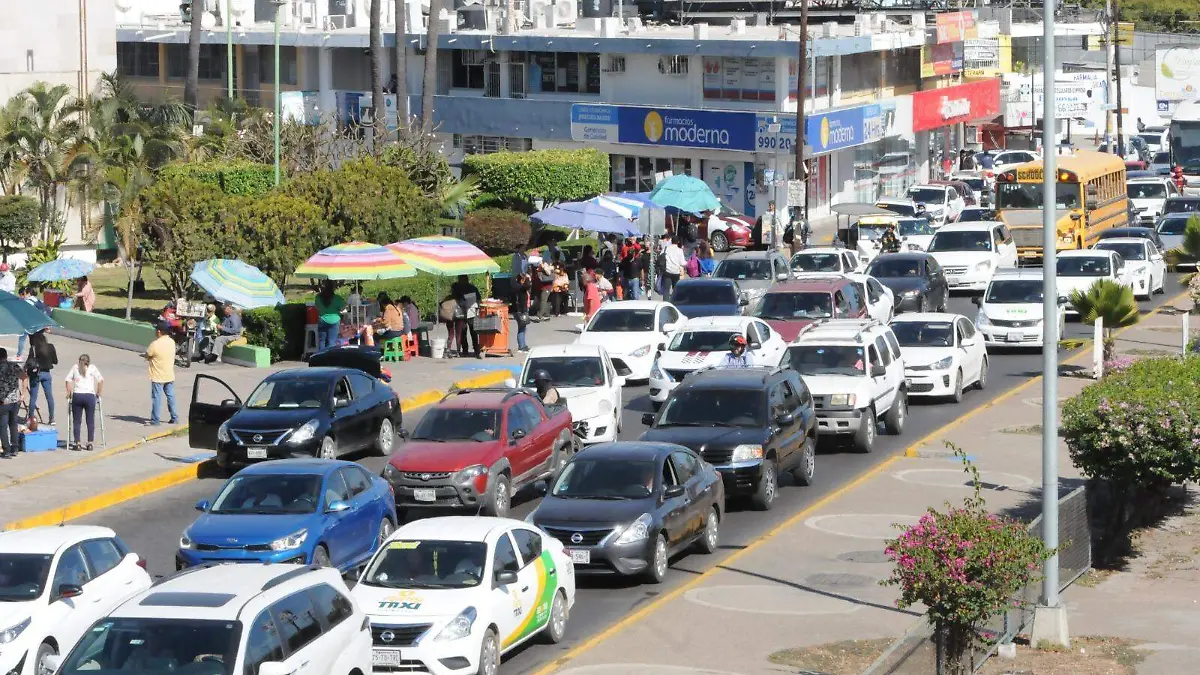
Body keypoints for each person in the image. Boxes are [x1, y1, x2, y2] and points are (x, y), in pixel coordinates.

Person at [64, 354, 103, 452]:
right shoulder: (92, 368)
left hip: (78, 395)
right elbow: (101, 380)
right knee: (90, 420)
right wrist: (98, 392)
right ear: (88, 362)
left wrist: (69, 393)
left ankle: (77, 443)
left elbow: (68, 380)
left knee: (77, 421)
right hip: (89, 396)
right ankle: (90, 443)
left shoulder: (75, 368)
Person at [142, 323, 178, 426]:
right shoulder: (172, 342)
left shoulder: (155, 344)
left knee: (157, 398)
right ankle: (174, 417)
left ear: (159, 332)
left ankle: (155, 420)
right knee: (170, 396)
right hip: (169, 374)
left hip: (158, 376)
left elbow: (148, 354)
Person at [25, 328, 57, 425]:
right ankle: (52, 419)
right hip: (47, 374)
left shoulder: (34, 349)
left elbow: (29, 362)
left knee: (33, 397)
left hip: (36, 374)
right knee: (49, 397)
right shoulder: (50, 347)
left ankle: (31, 418)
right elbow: (55, 361)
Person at [0, 348, 27, 459]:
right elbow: (25, 377)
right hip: (15, 400)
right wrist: (23, 394)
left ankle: (6, 450)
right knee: (13, 423)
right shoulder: (13, 366)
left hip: (3, 402)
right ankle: (14, 448)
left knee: (2, 426)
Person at [450, 274, 482, 359]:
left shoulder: (456, 288)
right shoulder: (472, 287)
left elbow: (454, 297)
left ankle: (465, 350)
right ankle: (476, 350)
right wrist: (476, 306)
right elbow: (479, 299)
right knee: (473, 331)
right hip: (471, 311)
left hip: (461, 311)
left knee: (463, 332)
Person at [314, 281, 345, 353]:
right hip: (334, 320)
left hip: (322, 319)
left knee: (322, 341)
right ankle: (329, 358)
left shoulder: (318, 297)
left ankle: (320, 358)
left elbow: (317, 307)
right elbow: (343, 308)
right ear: (333, 288)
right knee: (332, 341)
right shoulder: (337, 298)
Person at [513, 273, 531, 352]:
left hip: (520, 309)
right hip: (520, 310)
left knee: (523, 327)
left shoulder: (517, 286)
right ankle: (521, 346)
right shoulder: (520, 287)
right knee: (521, 328)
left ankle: (523, 344)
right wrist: (527, 279)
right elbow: (527, 286)